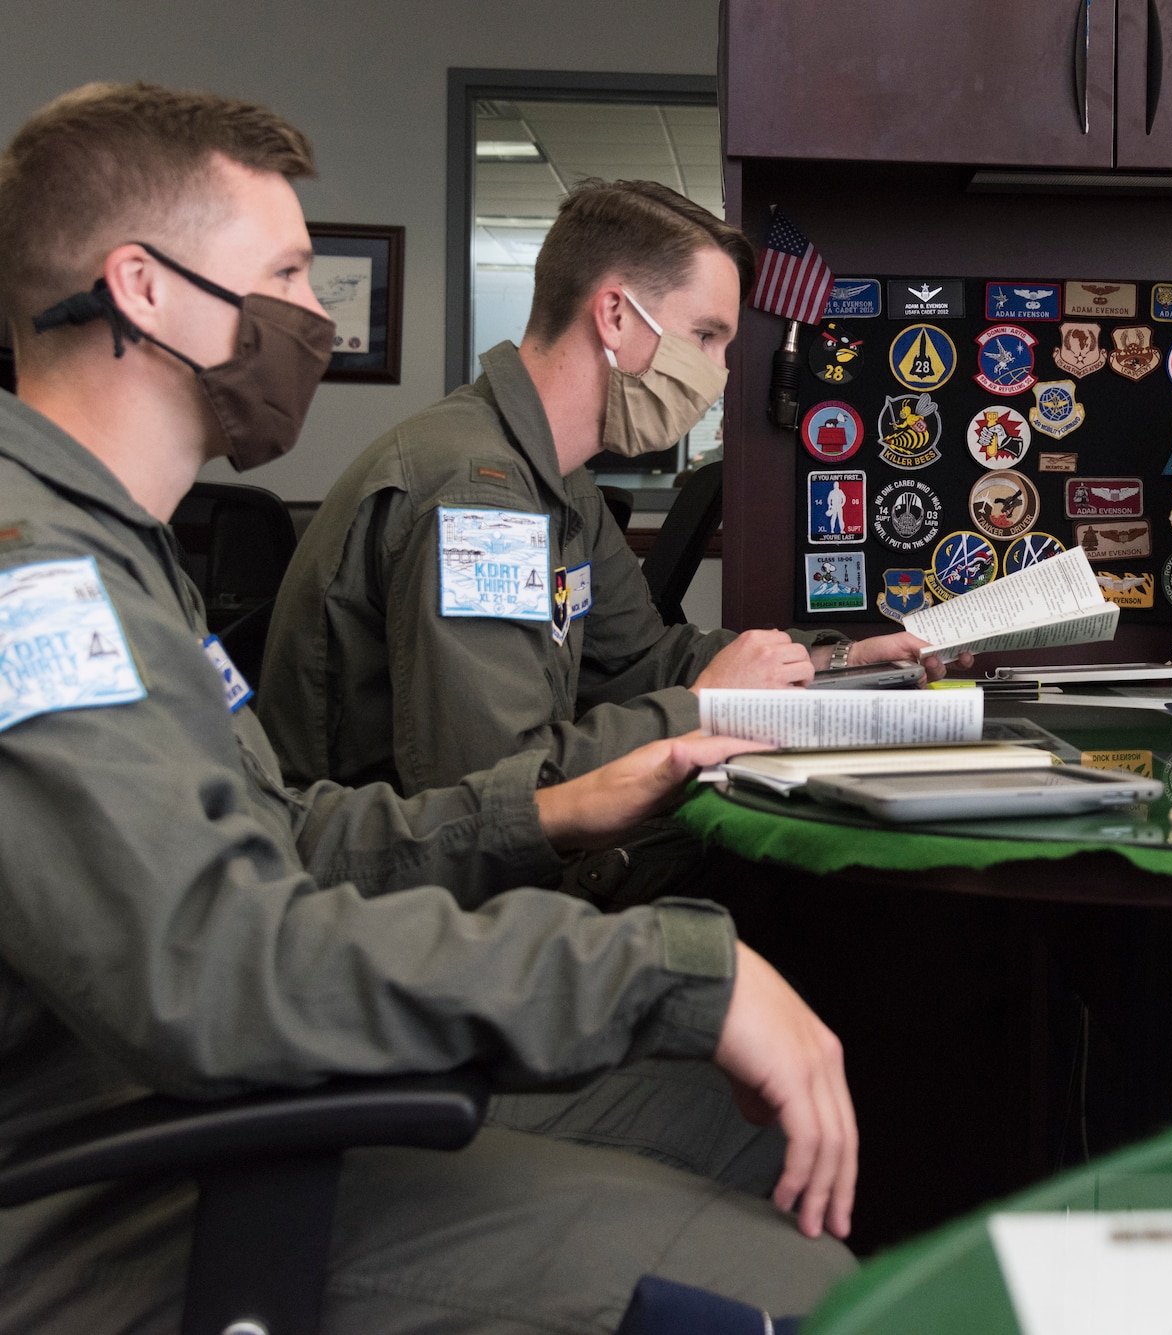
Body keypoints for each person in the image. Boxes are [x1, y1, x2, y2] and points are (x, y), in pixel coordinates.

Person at [0, 82, 855, 1332]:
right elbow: (215, 966)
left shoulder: (116, 552)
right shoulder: (37, 582)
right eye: (288, 270)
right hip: (110, 1182)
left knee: (735, 1138)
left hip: (196, 1102)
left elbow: (288, 841)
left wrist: (560, 812)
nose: (317, 313)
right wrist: (666, 972)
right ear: (141, 288)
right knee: (793, 1288)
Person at [257, 179, 964, 844]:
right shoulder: (480, 494)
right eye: (708, 336)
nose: (720, 373)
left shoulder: (556, 474)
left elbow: (638, 661)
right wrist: (705, 706)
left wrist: (833, 661)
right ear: (617, 315)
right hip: (396, 897)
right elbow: (494, 784)